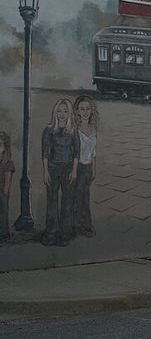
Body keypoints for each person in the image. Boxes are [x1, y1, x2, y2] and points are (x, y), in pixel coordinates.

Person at [41, 99, 80, 246]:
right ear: (55, 112)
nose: (62, 114)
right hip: (52, 168)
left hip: (68, 169)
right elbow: (44, 152)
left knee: (67, 201)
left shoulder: (73, 130)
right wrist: (45, 172)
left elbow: (77, 152)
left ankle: (65, 233)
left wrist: (74, 171)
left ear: (69, 113)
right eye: (59, 111)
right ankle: (51, 232)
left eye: (65, 111)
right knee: (52, 200)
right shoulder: (49, 130)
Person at [73, 95, 98, 237]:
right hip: (78, 168)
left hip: (88, 168)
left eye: (88, 108)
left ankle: (84, 224)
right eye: (82, 109)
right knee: (78, 198)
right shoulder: (75, 130)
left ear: (91, 110)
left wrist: (94, 169)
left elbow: (94, 152)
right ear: (77, 111)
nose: (85, 111)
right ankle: (80, 225)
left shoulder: (93, 129)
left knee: (85, 197)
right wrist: (74, 170)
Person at [0, 131, 14, 244]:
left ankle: (4, 233)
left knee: (3, 212)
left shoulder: (7, 162)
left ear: (5, 147)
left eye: (0, 145)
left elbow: (7, 180)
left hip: (2, 192)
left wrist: (5, 190)